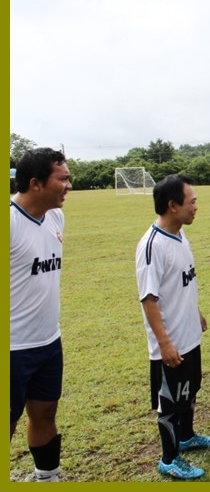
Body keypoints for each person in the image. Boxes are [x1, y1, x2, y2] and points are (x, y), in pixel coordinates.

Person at [136, 174, 210, 480]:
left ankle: (187, 436)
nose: (196, 207)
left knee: (189, 391)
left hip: (189, 335)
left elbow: (182, 282)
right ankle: (169, 458)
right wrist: (164, 344)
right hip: (170, 343)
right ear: (173, 205)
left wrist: (195, 312)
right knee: (169, 403)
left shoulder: (181, 235)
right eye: (192, 201)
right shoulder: (152, 245)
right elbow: (149, 299)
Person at [10, 147, 72, 482]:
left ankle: (48, 476)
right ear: (35, 183)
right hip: (12, 348)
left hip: (48, 340)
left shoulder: (55, 217)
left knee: (45, 412)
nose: (69, 186)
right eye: (62, 179)